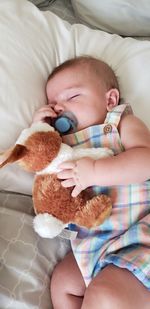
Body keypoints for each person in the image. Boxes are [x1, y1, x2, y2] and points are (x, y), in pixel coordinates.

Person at [32, 56, 150, 309]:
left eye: (72, 97)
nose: (60, 108)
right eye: (53, 105)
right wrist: (40, 133)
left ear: (110, 100)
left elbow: (146, 160)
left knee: (105, 294)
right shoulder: (63, 146)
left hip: (139, 235)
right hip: (95, 245)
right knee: (63, 282)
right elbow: (44, 184)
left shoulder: (119, 124)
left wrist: (96, 172)